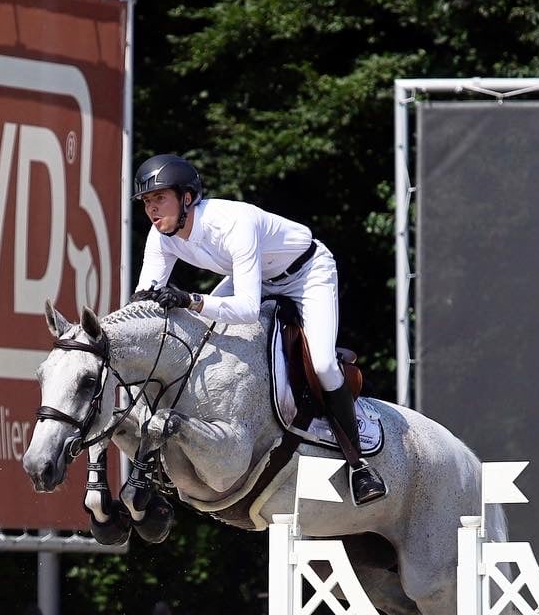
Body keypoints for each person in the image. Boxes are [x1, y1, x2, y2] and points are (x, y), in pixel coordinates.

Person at [131, 153, 386, 506]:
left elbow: (248, 311)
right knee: (199, 335)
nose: (152, 209)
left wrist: (190, 299)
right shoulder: (161, 236)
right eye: (146, 202)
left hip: (306, 273)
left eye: (160, 198)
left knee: (325, 364)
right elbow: (144, 304)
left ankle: (359, 465)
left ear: (187, 198)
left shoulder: (233, 222)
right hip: (257, 278)